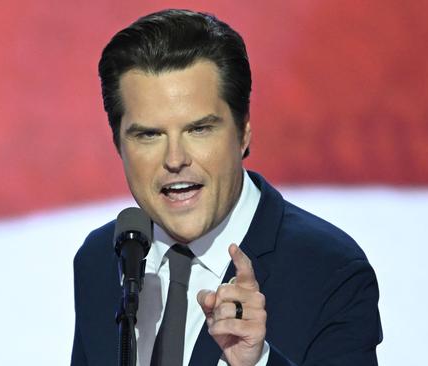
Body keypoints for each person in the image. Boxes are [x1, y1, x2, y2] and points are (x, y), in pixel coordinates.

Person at [71, 9, 382, 366]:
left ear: (244, 131)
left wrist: (258, 362)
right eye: (149, 134)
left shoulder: (329, 272)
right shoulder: (101, 259)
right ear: (118, 144)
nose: (175, 159)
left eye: (199, 129)